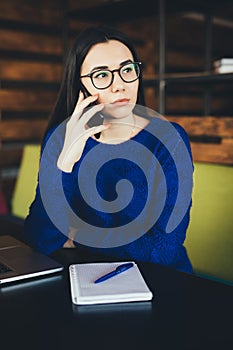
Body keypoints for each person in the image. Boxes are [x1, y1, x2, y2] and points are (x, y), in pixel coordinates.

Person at [25, 25, 194, 274]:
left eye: (127, 70)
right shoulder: (61, 140)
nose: (119, 86)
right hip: (85, 278)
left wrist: (79, 238)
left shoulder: (169, 139)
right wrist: (65, 164)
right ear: (80, 86)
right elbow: (40, 239)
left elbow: (162, 250)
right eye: (102, 75)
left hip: (162, 282)